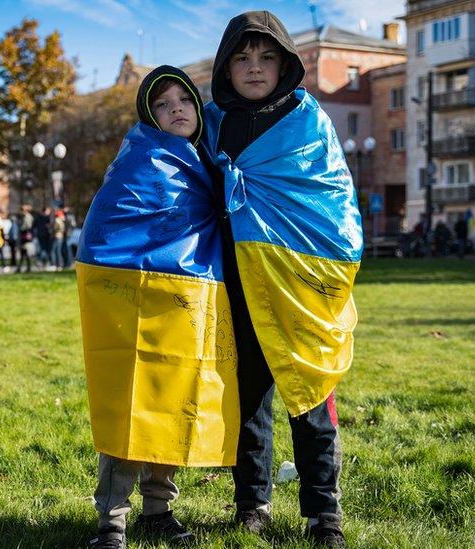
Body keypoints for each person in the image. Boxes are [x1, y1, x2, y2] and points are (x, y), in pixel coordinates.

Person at [204, 12, 363, 547]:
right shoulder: (211, 122)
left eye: (266, 57)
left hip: (296, 286)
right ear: (226, 67)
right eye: (242, 58)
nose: (253, 68)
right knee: (248, 400)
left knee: (311, 395)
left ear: (285, 64)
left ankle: (325, 515)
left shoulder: (306, 120)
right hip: (235, 282)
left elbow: (332, 202)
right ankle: (253, 504)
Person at [78, 66, 233, 549]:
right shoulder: (137, 160)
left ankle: (159, 509)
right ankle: (113, 521)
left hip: (185, 296)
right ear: (150, 116)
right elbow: (108, 228)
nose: (176, 109)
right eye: (163, 104)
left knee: (170, 400)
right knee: (128, 403)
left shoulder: (205, 161)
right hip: (131, 300)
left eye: (183, 100)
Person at [17, 205, 34, 274]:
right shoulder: (24, 217)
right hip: (24, 236)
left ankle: (27, 268)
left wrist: (22, 230)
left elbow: (27, 227)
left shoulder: (28, 217)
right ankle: (21, 268)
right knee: (23, 253)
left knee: (25, 252)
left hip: (25, 236)